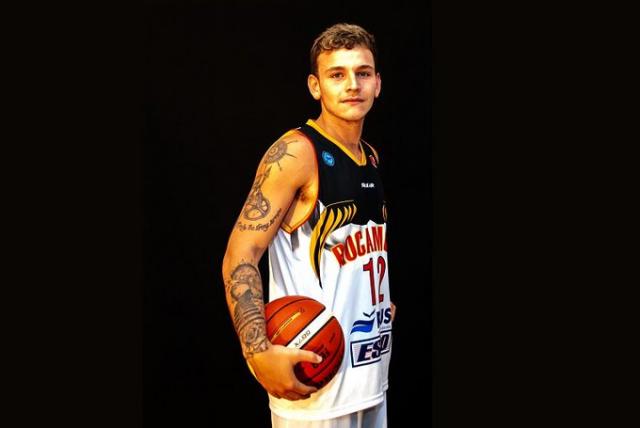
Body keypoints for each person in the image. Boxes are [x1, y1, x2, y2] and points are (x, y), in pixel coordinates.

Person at [222, 22, 395, 428]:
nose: (352, 85)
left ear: (377, 83)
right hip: (315, 383)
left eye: (363, 73)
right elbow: (240, 254)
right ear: (316, 86)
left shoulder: (369, 155)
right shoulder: (297, 152)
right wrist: (257, 350)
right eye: (337, 75)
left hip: (370, 374)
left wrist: (375, 300)